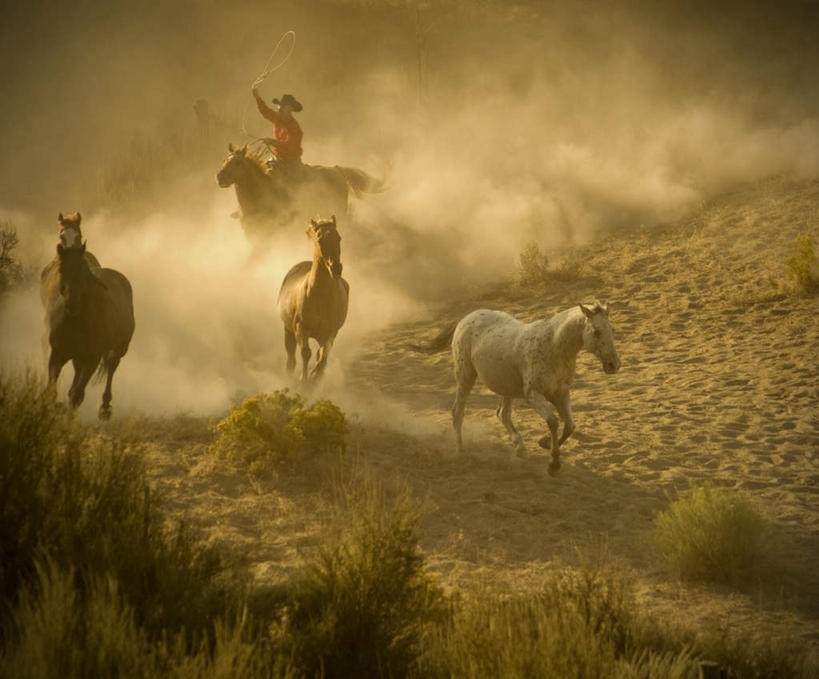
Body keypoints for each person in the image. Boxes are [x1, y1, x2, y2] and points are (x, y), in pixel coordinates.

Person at [251, 89, 304, 181]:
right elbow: (265, 111)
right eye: (280, 107)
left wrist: (272, 142)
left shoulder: (294, 127)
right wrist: (257, 98)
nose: (279, 109)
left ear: (289, 109)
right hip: (278, 159)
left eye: (283, 107)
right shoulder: (277, 118)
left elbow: (290, 145)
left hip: (291, 162)